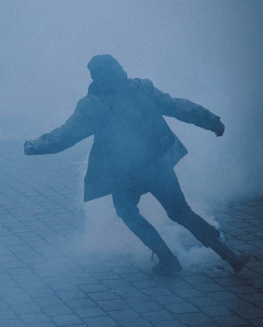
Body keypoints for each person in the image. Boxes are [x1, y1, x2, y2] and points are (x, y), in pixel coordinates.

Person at [24, 54, 249, 276]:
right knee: (181, 212)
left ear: (96, 77)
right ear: (118, 69)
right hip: (158, 163)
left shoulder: (91, 104)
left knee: (127, 212)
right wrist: (211, 120)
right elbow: (176, 106)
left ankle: (167, 258)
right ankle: (230, 255)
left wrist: (35, 146)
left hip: (124, 173)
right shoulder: (140, 88)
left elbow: (66, 135)